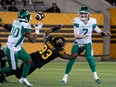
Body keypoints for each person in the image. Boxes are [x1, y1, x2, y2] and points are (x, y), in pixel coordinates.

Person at [0, 18, 85, 83]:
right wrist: (80, 50)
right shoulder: (57, 51)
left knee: (16, 70)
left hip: (32, 55)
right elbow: (71, 57)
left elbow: (46, 33)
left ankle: (4, 72)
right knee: (18, 74)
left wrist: (57, 28)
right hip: (36, 63)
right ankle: (7, 66)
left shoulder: (49, 40)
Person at [61, 6, 111, 84]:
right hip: (78, 43)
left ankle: (96, 78)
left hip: (87, 43)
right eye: (81, 13)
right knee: (72, 60)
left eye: (84, 14)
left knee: (90, 59)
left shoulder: (92, 21)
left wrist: (105, 34)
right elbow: (76, 36)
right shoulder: (77, 21)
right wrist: (82, 36)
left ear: (88, 14)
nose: (82, 15)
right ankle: (64, 78)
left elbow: (99, 31)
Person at [0, 9, 43, 87]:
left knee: (28, 60)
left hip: (17, 47)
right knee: (13, 69)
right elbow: (33, 40)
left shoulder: (15, 21)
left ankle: (23, 79)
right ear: (26, 17)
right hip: (12, 48)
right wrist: (37, 31)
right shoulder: (25, 25)